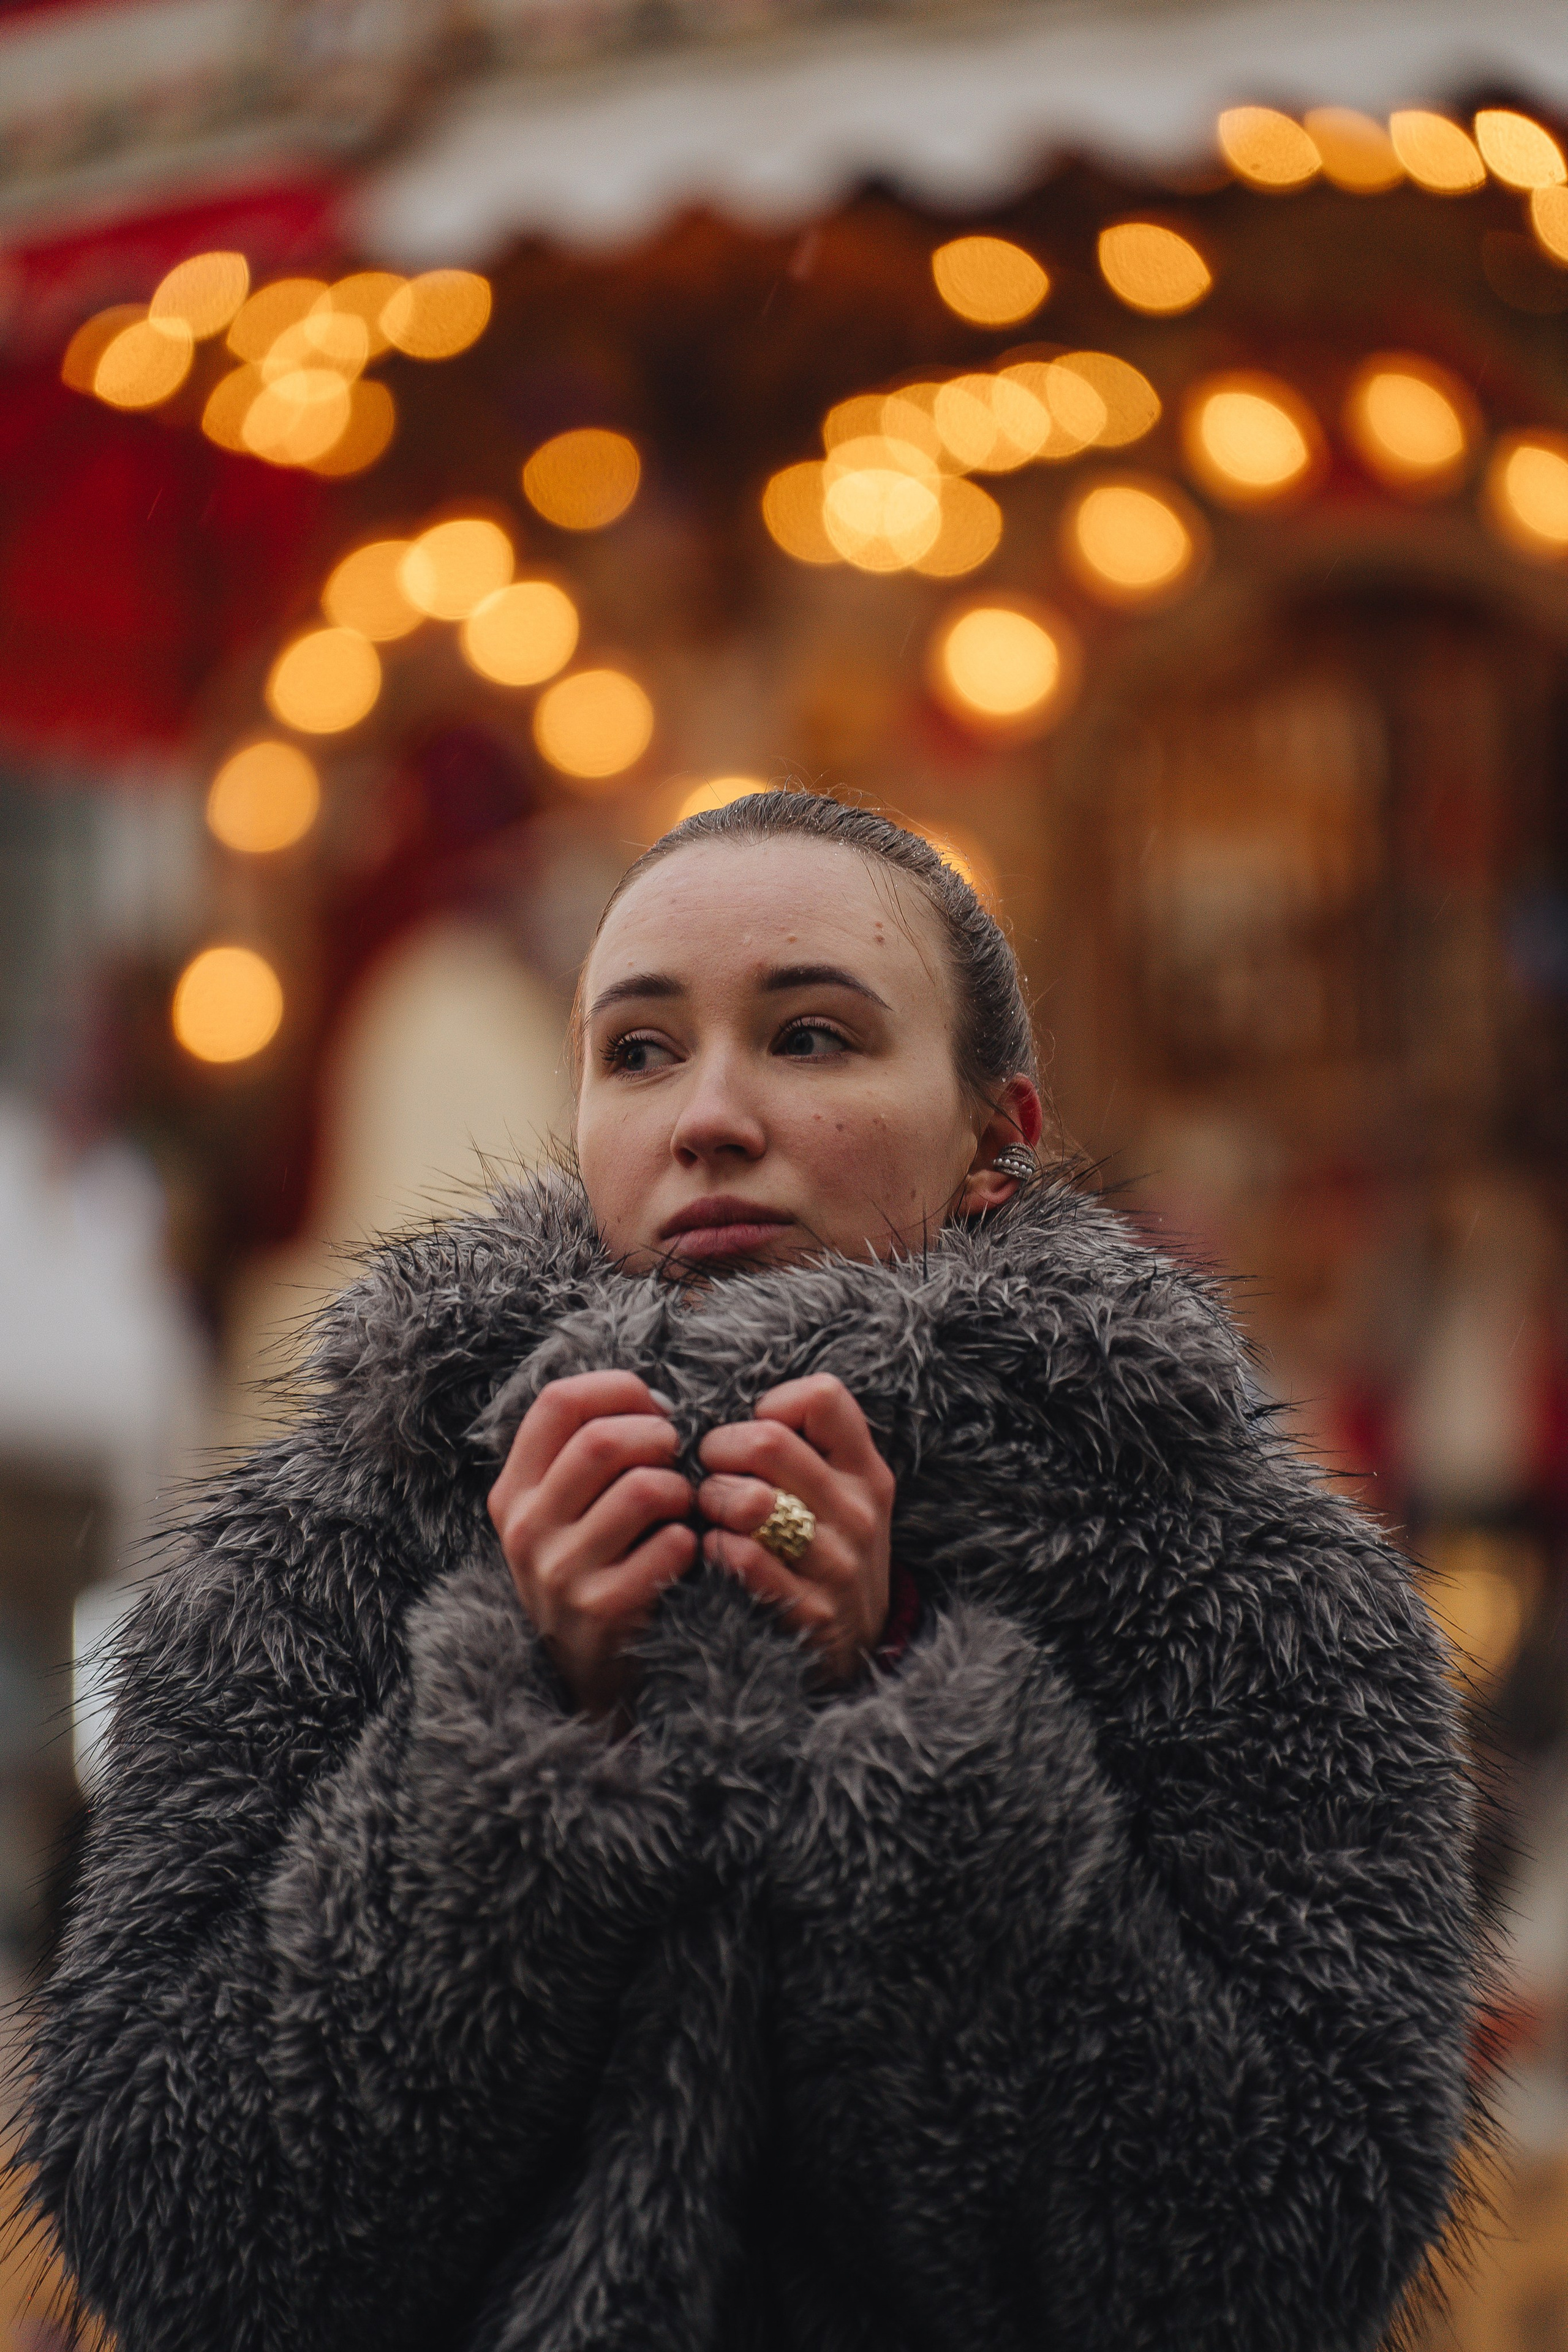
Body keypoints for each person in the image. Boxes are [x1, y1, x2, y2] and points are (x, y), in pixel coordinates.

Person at [23, 793, 1476, 2352]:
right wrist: (520, 1729)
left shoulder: (1237, 1585)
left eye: (810, 1038)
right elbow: (177, 2237)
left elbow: (1275, 2261)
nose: (707, 1116)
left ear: (996, 1136)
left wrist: (907, 1710)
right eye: (638, 1051)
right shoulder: (326, 1552)